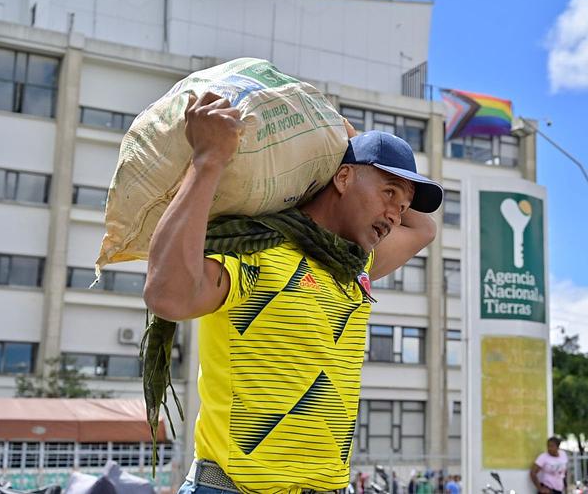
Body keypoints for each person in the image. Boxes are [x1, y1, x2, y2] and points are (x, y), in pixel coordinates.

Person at [143, 92, 443, 494]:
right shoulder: (259, 251)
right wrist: (208, 160)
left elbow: (425, 229)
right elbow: (169, 297)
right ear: (343, 177)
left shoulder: (353, 266)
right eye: (389, 193)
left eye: (404, 204)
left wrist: (347, 139)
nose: (396, 215)